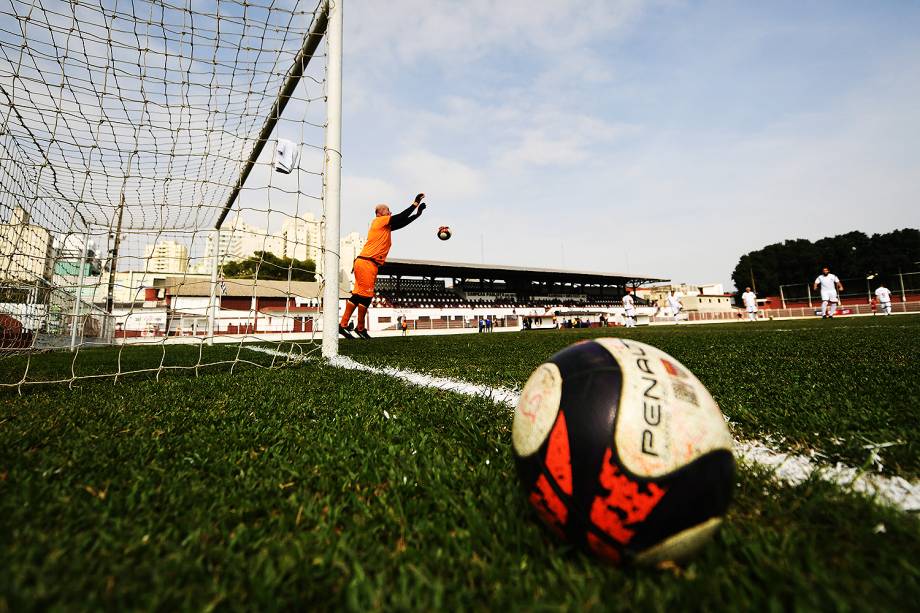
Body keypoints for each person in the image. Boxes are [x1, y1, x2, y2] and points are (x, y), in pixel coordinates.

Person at [339, 193, 426, 339]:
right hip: (367, 262)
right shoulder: (378, 221)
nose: (390, 212)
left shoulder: (384, 227)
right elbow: (399, 217)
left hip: (363, 261)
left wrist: (417, 214)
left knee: (358, 295)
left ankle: (344, 325)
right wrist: (415, 204)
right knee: (366, 297)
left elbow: (402, 222)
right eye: (387, 211)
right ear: (380, 214)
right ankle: (359, 328)